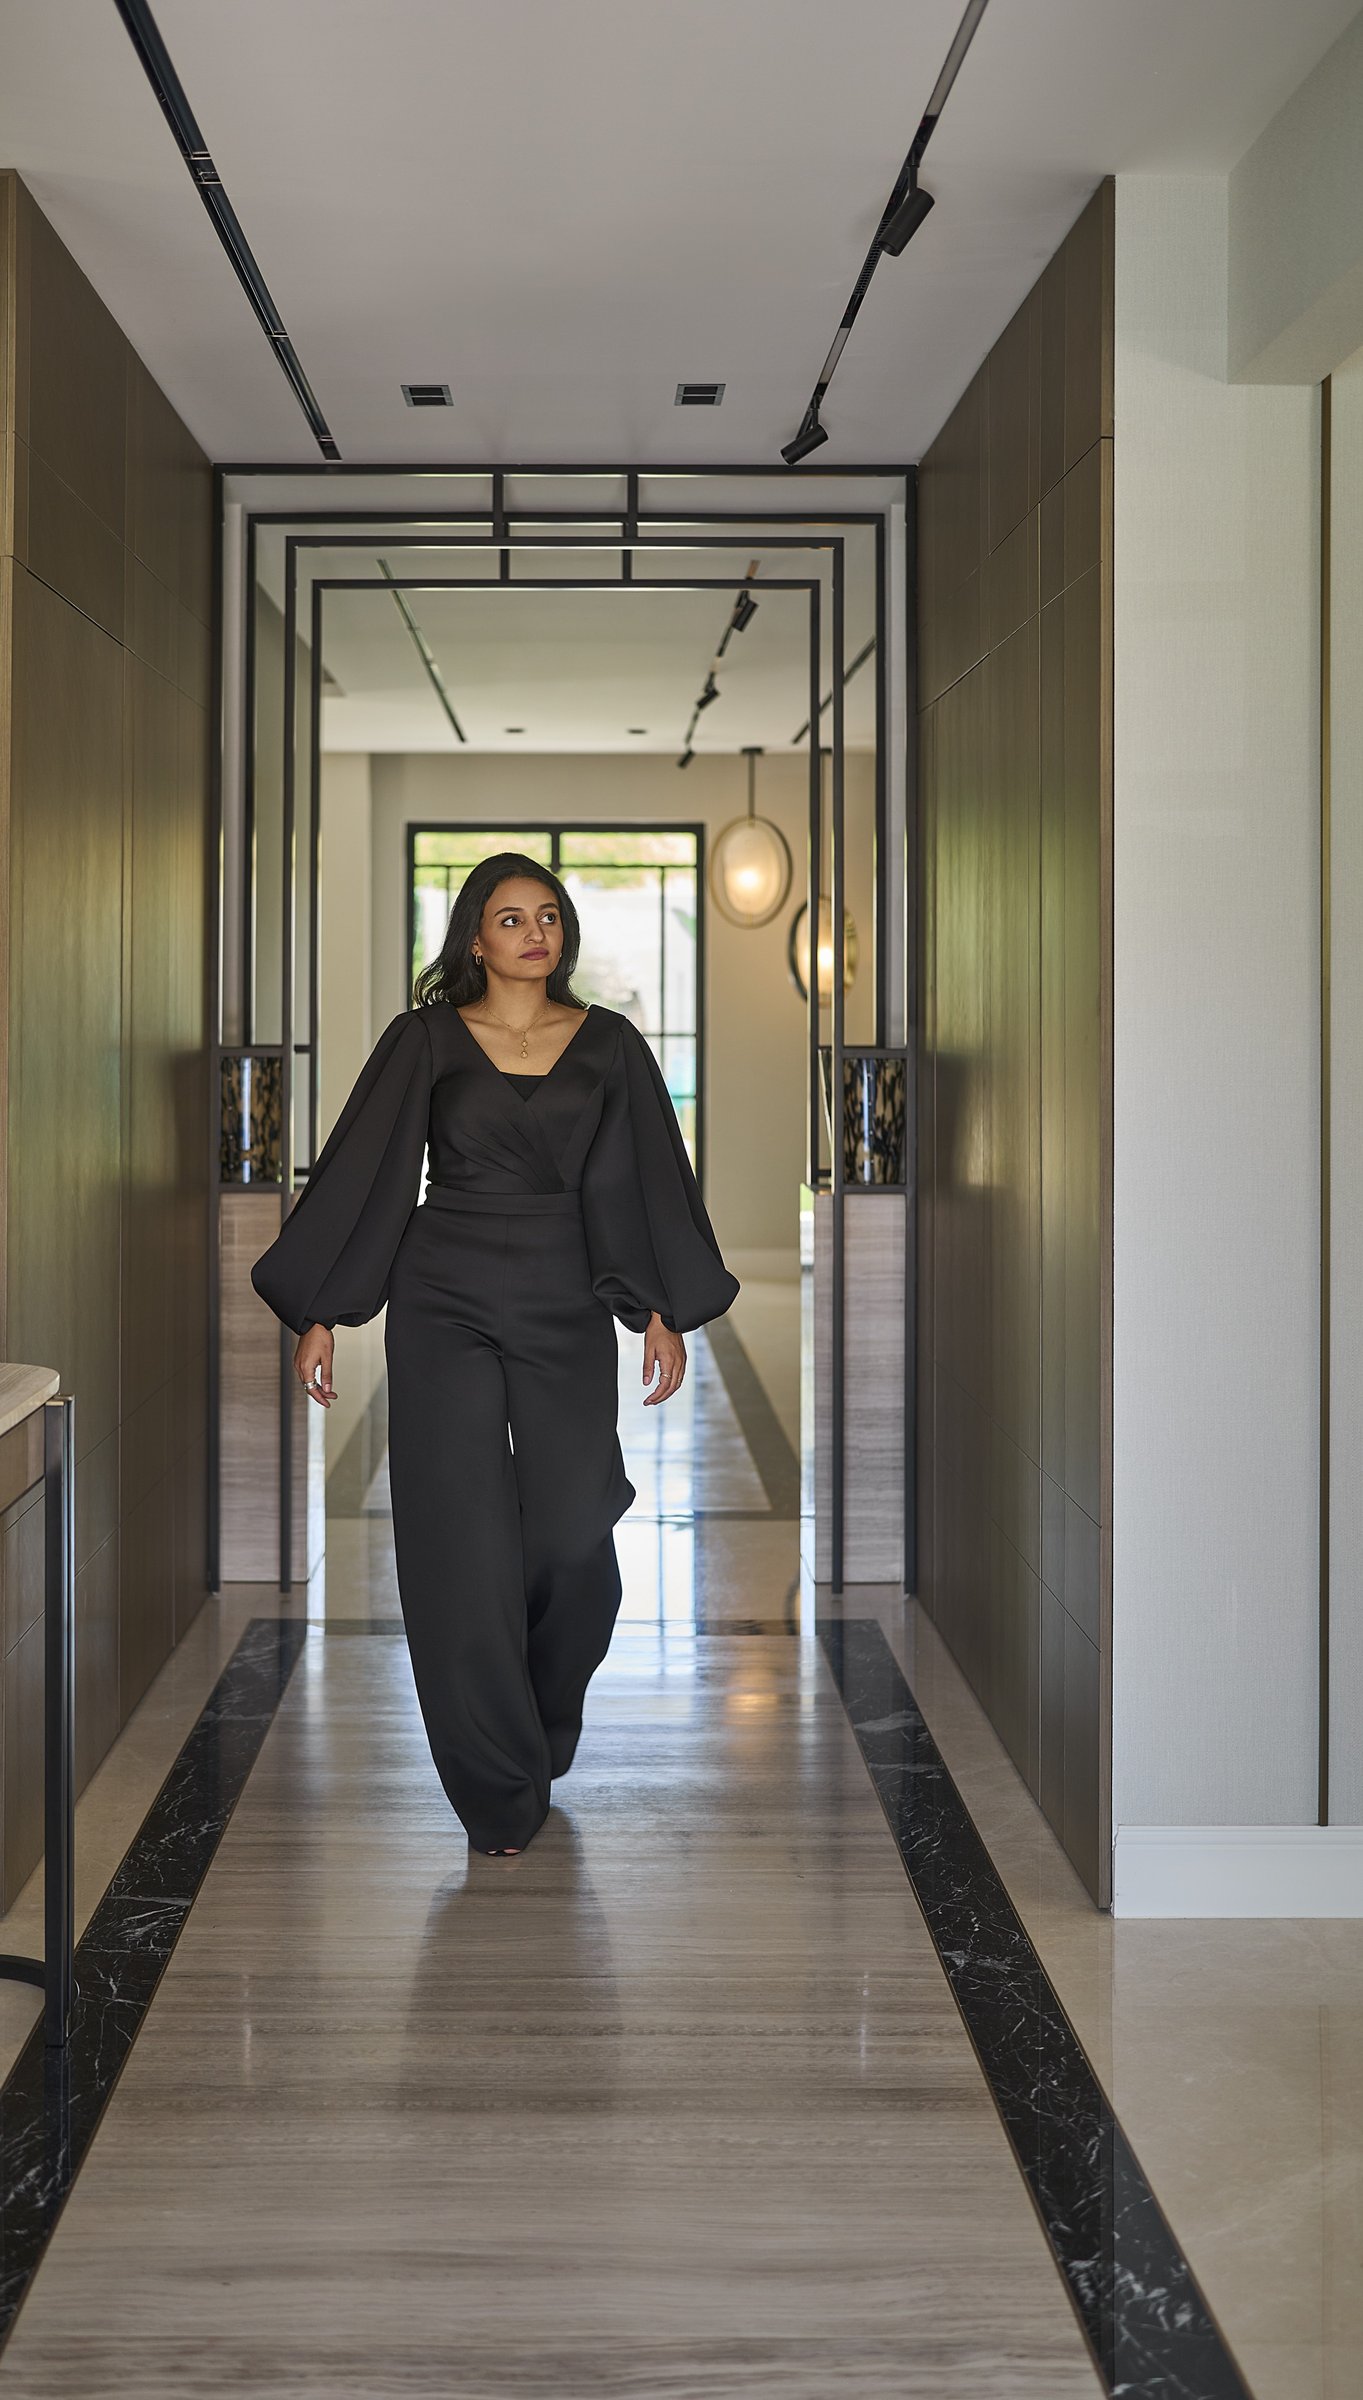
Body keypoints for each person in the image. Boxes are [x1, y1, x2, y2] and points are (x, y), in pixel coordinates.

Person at [252, 852, 739, 1857]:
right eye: (509, 918)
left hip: (563, 1296)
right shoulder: (424, 1040)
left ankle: (537, 1722)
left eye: (548, 915)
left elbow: (640, 1182)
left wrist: (657, 1309)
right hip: (446, 1299)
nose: (534, 932)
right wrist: (325, 1312)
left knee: (572, 1533)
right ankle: (496, 1789)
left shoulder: (609, 1046)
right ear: (473, 937)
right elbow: (369, 1173)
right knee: (459, 1544)